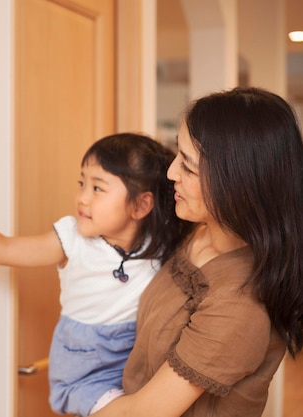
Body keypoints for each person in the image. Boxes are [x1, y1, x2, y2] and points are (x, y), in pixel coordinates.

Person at [0, 133, 191, 416]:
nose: (82, 198)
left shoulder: (160, 246)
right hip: (84, 371)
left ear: (141, 205)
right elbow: (2, 248)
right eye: (82, 183)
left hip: (131, 363)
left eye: (97, 188)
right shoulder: (71, 240)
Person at [91, 87, 303, 417]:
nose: (171, 173)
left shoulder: (239, 304)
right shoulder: (196, 231)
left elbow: (144, 413)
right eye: (177, 156)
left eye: (188, 168)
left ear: (238, 182)